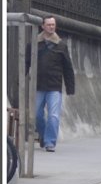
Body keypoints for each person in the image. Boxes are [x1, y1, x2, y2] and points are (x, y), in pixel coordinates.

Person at [25, 15, 76, 152]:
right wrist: (21, 80)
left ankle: (50, 142)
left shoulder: (61, 45)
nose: (51, 27)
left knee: (53, 116)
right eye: (48, 24)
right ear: (42, 26)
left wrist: (70, 87)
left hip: (54, 86)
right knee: (37, 115)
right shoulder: (34, 43)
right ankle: (43, 136)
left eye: (53, 24)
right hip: (38, 86)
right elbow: (26, 63)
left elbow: (68, 68)